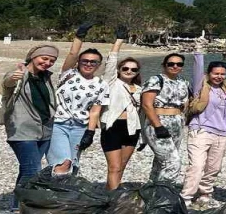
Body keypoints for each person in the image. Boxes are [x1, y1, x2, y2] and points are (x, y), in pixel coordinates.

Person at [48, 24, 115, 177]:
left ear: (98, 65)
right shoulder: (68, 74)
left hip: (80, 127)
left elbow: (95, 111)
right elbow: (72, 53)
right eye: (85, 61)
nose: (88, 64)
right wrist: (79, 36)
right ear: (79, 62)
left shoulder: (101, 84)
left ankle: (67, 194)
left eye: (93, 62)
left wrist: (90, 133)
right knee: (62, 162)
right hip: (59, 124)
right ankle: (56, 195)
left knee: (74, 161)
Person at [1, 44, 59, 208]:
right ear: (33, 57)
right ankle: (20, 208)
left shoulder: (45, 77)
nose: (47, 63)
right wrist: (13, 77)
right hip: (22, 130)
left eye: (52, 60)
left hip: (44, 130)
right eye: (44, 58)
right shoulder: (20, 73)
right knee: (32, 170)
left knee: (27, 169)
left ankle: (17, 205)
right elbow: (7, 83)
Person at [86, 37, 142, 190]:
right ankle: (114, 200)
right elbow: (111, 62)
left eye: (133, 69)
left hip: (132, 128)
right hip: (113, 127)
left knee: (121, 166)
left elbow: (142, 112)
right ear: (119, 70)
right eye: (125, 68)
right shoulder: (111, 82)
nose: (129, 71)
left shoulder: (139, 89)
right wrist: (118, 42)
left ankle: (110, 191)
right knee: (114, 167)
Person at [182, 50, 226, 207]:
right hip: (201, 131)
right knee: (197, 165)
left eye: (222, 74)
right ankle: (186, 196)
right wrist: (198, 52)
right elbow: (197, 71)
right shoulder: (201, 87)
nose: (219, 76)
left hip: (222, 133)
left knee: (213, 167)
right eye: (216, 73)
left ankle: (205, 193)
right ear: (208, 73)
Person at [141, 52, 193, 186]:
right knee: (172, 162)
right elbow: (147, 104)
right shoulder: (156, 80)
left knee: (161, 161)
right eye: (171, 64)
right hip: (158, 122)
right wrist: (157, 126)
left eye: (179, 64)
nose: (175, 66)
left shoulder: (183, 82)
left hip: (177, 123)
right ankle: (163, 193)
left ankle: (152, 188)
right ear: (164, 65)